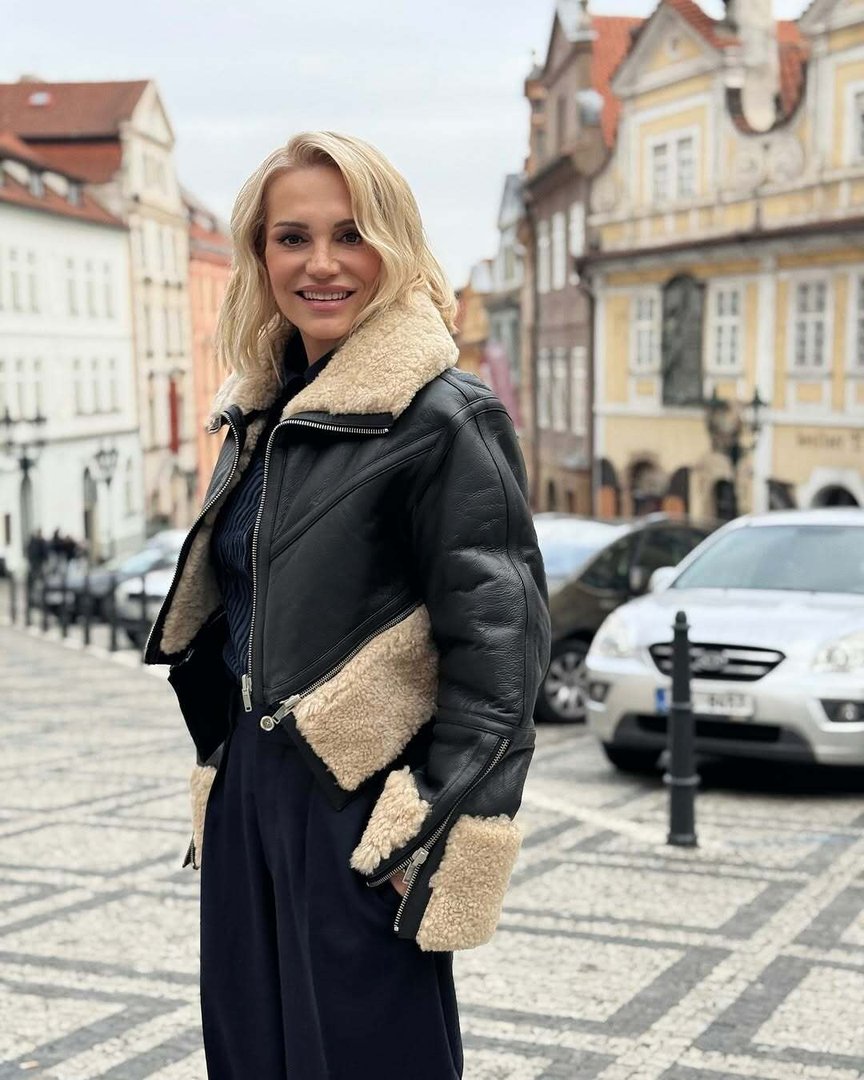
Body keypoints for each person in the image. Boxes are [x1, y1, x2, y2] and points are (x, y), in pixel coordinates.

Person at [144, 132, 550, 1080]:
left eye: (351, 234)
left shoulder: (446, 415)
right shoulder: (263, 410)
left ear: (394, 245)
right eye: (293, 237)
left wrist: (425, 826)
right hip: (249, 786)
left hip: (360, 799)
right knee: (252, 1050)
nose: (321, 263)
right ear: (261, 255)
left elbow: (501, 650)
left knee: (367, 1057)